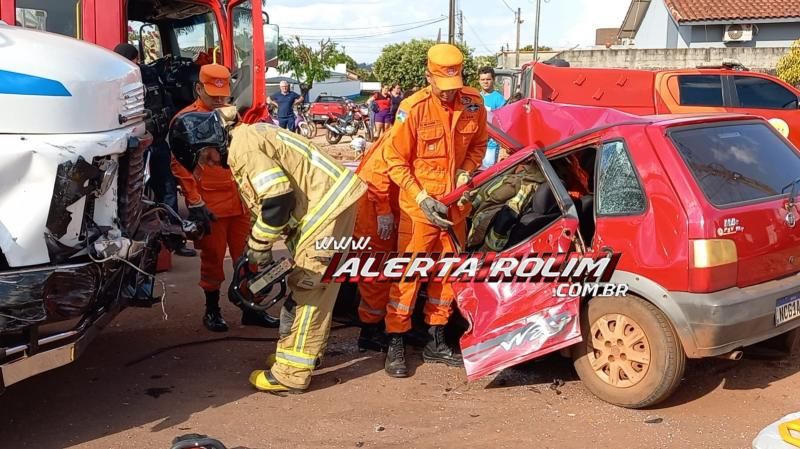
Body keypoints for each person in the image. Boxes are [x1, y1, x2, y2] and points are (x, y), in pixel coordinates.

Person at [169, 108, 367, 393]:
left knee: (309, 285)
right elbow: (269, 202)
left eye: (205, 157)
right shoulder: (247, 137)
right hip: (328, 205)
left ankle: (292, 373)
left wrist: (259, 246)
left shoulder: (243, 149)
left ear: (210, 143)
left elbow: (277, 198)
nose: (210, 164)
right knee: (316, 284)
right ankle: (304, 355)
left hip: (326, 208)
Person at [381, 44, 488, 378]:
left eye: (452, 88)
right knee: (409, 275)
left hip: (455, 208)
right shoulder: (412, 109)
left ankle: (436, 340)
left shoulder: (473, 102)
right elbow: (394, 160)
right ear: (428, 77)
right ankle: (395, 342)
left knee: (447, 275)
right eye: (442, 89)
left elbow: (479, 145)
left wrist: (467, 171)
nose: (448, 96)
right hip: (419, 210)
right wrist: (422, 196)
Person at [169, 63, 277, 332]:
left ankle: (252, 307)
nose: (219, 100)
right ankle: (212, 310)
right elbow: (180, 167)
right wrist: (195, 202)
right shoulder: (186, 121)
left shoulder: (233, 117)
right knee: (213, 261)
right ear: (198, 89)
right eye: (213, 95)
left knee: (252, 257)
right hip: (212, 206)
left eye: (223, 95)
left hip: (241, 201)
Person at [114, 43, 196, 258]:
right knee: (134, 198)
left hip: (156, 143)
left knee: (168, 191)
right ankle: (136, 247)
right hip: (134, 149)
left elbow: (167, 103)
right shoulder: (114, 81)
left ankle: (174, 241)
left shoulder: (151, 76)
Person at [350, 131, 399, 352]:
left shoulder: (400, 132)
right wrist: (383, 211)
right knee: (377, 272)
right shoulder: (399, 135)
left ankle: (376, 326)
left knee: (383, 271)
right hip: (375, 214)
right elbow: (375, 175)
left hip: (385, 210)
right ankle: (369, 332)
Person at [477, 67, 507, 169]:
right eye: (483, 79)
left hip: (491, 146)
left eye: (488, 79)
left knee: (486, 174)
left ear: (493, 80)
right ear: (479, 80)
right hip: (476, 146)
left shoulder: (499, 99)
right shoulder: (476, 97)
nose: (485, 82)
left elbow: (502, 124)